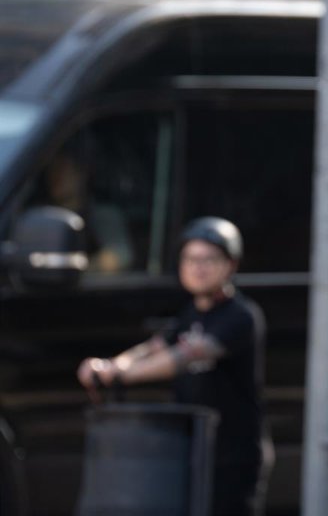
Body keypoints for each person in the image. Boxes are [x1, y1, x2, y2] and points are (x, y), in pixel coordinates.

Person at [77, 217, 271, 516]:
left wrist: (122, 375)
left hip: (233, 456)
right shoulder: (188, 314)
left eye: (208, 260)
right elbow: (154, 347)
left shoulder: (240, 316)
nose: (198, 267)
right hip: (193, 450)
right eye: (190, 259)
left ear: (230, 265)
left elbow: (182, 357)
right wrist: (111, 364)